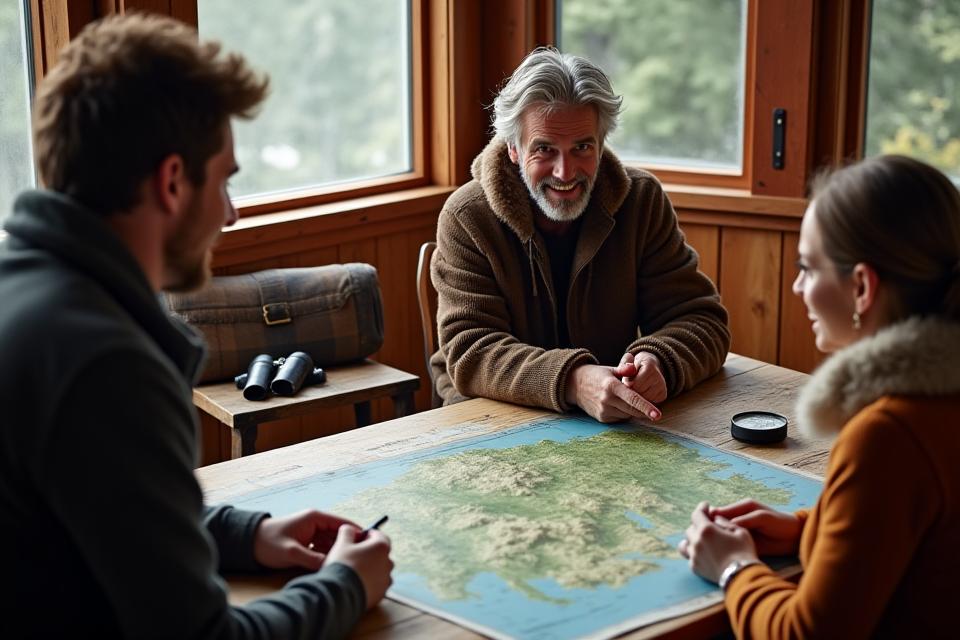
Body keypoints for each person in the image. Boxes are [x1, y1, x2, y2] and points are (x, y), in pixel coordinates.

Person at [0, 13, 392, 638]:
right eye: (227, 180)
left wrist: (250, 534)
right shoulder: (105, 362)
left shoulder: (31, 293)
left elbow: (101, 508)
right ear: (173, 181)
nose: (231, 215)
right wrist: (345, 585)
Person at [679, 155, 960, 638]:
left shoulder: (887, 435)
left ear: (861, 287)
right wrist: (812, 527)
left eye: (807, 267)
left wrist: (733, 568)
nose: (796, 286)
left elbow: (806, 634)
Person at [430, 47, 730, 423]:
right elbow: (470, 351)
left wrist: (660, 361)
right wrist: (573, 381)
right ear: (513, 149)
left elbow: (702, 319)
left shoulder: (641, 200)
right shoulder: (466, 216)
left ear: (602, 145)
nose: (565, 171)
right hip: (487, 419)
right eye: (544, 149)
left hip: (610, 419)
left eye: (582, 147)